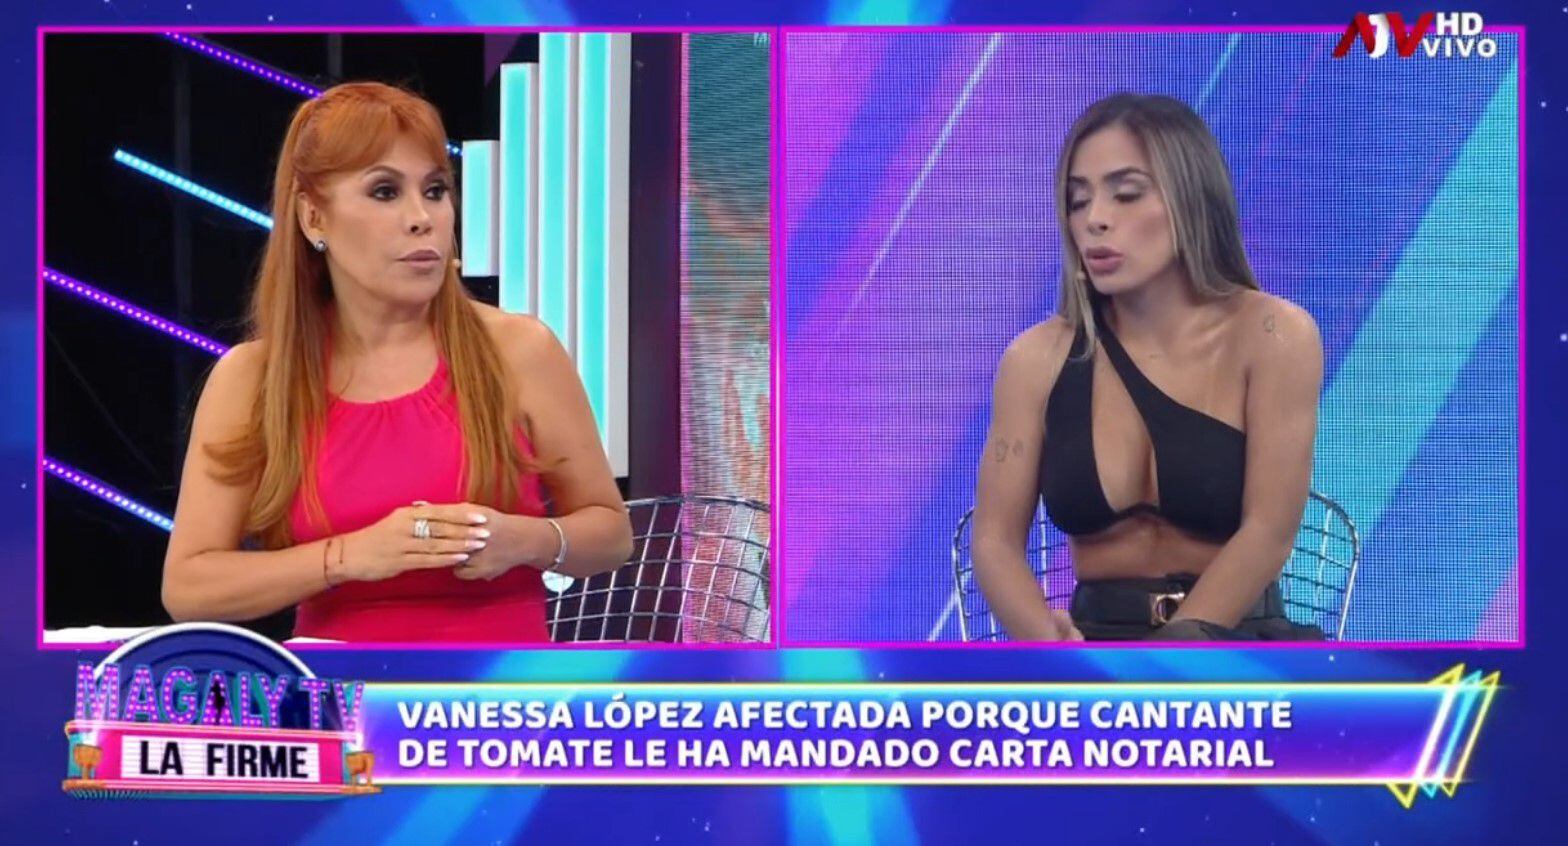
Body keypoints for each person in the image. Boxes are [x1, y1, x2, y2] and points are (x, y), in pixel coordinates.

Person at [162, 82, 634, 642]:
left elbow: (611, 534)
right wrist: (348, 557)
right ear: (314, 218)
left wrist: (524, 541)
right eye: (385, 191)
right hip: (344, 693)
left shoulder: (521, 350)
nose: (422, 217)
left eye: (435, 190)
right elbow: (189, 587)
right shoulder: (252, 379)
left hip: (502, 691)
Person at [972, 93, 1324, 641]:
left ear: (1191, 199)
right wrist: (1049, 648)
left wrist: (1166, 661)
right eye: (1078, 201)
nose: (1095, 220)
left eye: (1127, 194)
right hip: (1093, 651)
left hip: (1231, 649)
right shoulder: (1035, 359)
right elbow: (994, 541)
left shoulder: (1274, 335)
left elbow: (1269, 531)